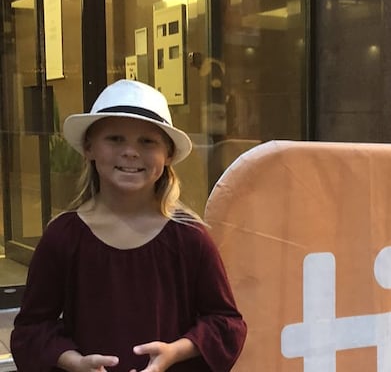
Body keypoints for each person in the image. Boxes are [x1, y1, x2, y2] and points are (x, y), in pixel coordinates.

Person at [11, 79, 247, 371]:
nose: (131, 152)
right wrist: (75, 362)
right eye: (115, 139)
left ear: (168, 154)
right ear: (89, 147)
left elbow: (225, 323)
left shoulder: (190, 238)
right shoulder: (63, 238)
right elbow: (31, 329)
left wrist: (174, 352)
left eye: (147, 141)